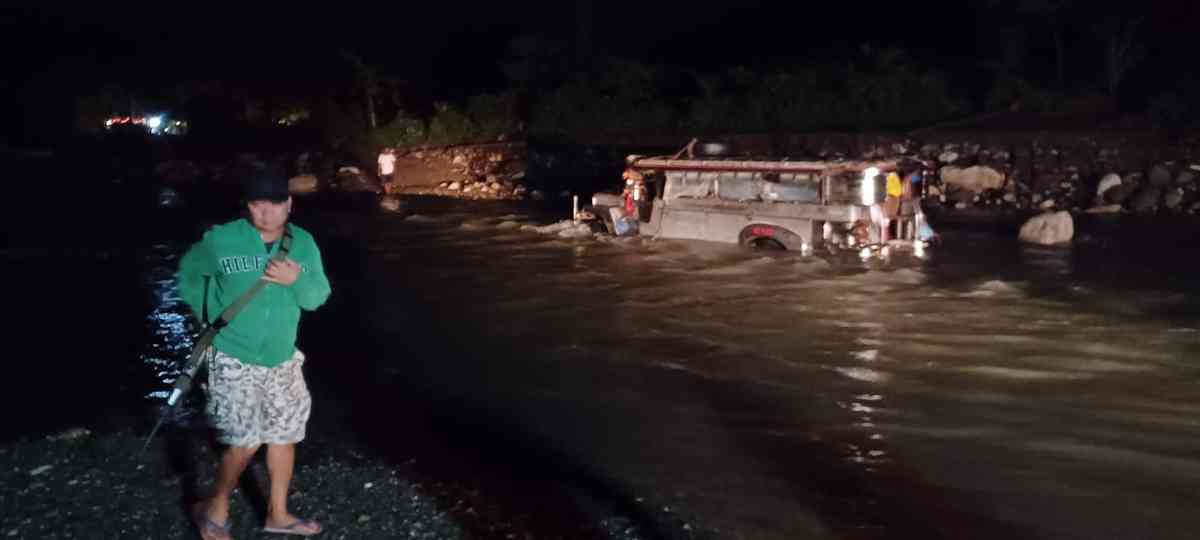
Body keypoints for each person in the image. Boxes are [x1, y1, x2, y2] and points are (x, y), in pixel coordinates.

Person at [177, 170, 332, 539]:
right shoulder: (221, 240)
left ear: (289, 204)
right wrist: (207, 322)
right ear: (247, 206)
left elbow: (317, 297)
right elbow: (188, 275)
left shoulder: (304, 244)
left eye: (275, 204)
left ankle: (277, 514)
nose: (266, 212)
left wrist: (296, 280)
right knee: (244, 441)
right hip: (233, 354)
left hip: (282, 356)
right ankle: (214, 506)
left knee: (284, 435)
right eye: (257, 204)